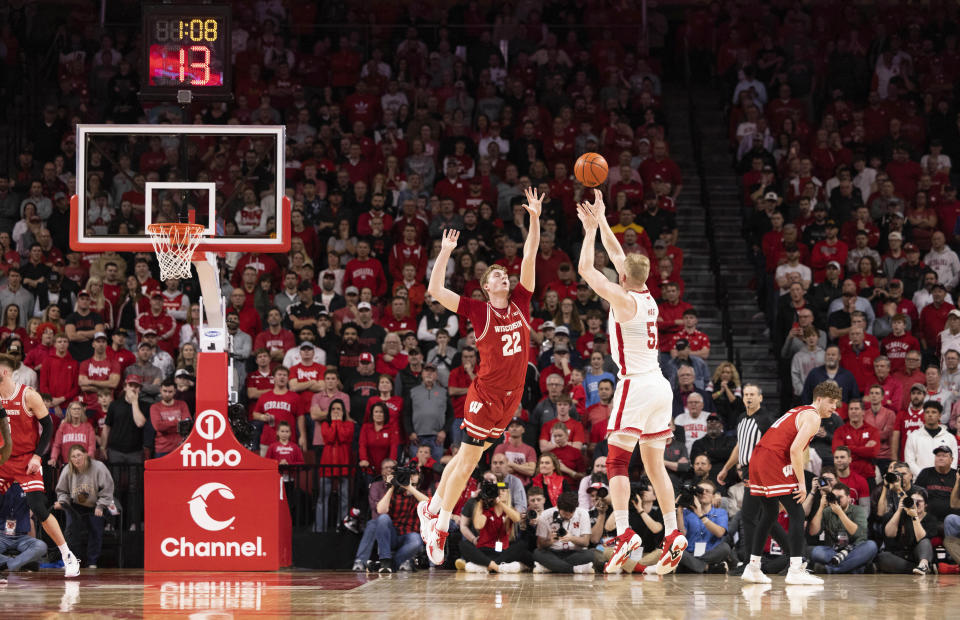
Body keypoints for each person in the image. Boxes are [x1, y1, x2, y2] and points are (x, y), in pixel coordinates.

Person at [418, 187, 543, 565]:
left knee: (463, 459)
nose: (504, 278)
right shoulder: (476, 309)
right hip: (484, 395)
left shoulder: (522, 301)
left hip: (510, 400)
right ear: (487, 288)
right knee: (469, 462)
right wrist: (444, 253)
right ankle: (439, 525)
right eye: (497, 277)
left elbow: (531, 254)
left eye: (506, 274)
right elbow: (435, 289)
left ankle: (432, 509)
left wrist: (534, 219)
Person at [574, 192, 687, 574]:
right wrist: (604, 219)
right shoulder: (648, 295)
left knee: (617, 460)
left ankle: (624, 533)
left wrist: (590, 231)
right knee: (656, 468)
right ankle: (672, 533)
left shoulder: (623, 300)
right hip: (660, 386)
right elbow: (620, 255)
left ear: (622, 277)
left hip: (635, 384)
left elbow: (587, 270)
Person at [742, 380, 843, 585]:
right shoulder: (813, 417)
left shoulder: (799, 409)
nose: (834, 407)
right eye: (831, 402)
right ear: (820, 399)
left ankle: (752, 567)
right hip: (772, 459)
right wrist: (801, 484)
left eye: (837, 403)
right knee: (797, 512)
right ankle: (796, 569)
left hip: (758, 457)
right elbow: (795, 450)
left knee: (769, 513)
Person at [0, 354, 79, 576]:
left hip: (27, 459)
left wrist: (37, 456)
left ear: (5, 372)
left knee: (39, 507)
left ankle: (67, 555)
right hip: (4, 459)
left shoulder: (28, 396)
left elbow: (48, 426)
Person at [716, 384, 774, 572]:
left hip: (759, 472)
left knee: (749, 516)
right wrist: (726, 468)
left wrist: (765, 471)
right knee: (761, 517)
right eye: (746, 394)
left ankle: (752, 562)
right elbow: (740, 446)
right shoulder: (742, 418)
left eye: (752, 395)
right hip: (748, 470)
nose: (749, 397)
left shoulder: (765, 420)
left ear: (760, 398)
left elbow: (774, 448)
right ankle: (790, 555)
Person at [53, 444, 115, 569]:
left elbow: (108, 489)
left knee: (96, 530)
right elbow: (62, 491)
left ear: (86, 455)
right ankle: (73, 561)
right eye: (73, 457)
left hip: (95, 504)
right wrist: (63, 502)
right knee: (71, 531)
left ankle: (92, 561)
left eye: (79, 455)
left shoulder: (99, 467)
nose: (77, 459)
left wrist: (101, 506)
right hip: (75, 504)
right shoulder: (67, 470)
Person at [455, 474, 532, 573]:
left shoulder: (509, 510)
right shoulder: (486, 508)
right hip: (484, 551)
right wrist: (481, 501)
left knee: (522, 545)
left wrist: (500, 503)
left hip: (503, 552)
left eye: (503, 491)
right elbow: (478, 525)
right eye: (498, 491)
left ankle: (488, 566)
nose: (500, 493)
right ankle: (497, 567)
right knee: (463, 544)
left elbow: (517, 518)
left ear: (508, 493)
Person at [807, 482, 878, 574]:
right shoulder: (827, 511)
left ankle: (831, 569)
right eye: (834, 496)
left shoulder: (858, 510)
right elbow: (813, 532)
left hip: (855, 549)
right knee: (816, 552)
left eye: (840, 497)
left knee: (871, 546)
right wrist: (821, 507)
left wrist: (840, 513)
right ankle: (858, 568)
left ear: (849, 498)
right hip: (834, 551)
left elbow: (858, 533)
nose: (836, 500)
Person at [876, 487, 938, 574]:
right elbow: (889, 534)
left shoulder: (931, 519)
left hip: (919, 554)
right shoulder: (902, 515)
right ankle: (921, 569)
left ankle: (923, 565)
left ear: (925, 504)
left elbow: (921, 538)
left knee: (925, 541)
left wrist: (914, 517)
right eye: (912, 500)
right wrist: (899, 510)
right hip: (900, 556)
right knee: (882, 557)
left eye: (919, 501)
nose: (915, 504)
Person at [532, 491, 595, 573]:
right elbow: (540, 545)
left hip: (575, 553)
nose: (568, 516)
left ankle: (551, 567)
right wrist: (550, 541)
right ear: (558, 508)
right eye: (565, 514)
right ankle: (574, 569)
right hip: (553, 553)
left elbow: (586, 542)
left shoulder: (583, 513)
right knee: (537, 553)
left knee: (592, 553)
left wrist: (571, 538)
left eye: (571, 513)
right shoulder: (545, 515)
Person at [677, 480, 731, 573]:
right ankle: (708, 568)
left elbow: (720, 533)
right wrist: (679, 511)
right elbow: (681, 535)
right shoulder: (686, 513)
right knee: (676, 549)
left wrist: (701, 515)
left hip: (710, 553)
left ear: (713, 496)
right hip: (690, 551)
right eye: (700, 491)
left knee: (725, 548)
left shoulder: (720, 512)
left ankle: (691, 565)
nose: (703, 493)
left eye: (707, 491)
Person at [0, 483, 48, 573]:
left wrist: (33, 508)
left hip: (22, 537)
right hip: (2, 535)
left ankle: (8, 564)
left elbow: (42, 499)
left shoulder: (28, 484)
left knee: (41, 546)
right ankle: (21, 564)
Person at [149, 379, 192, 458]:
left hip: (180, 447)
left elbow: (186, 425)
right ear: (160, 390)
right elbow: (158, 426)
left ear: (175, 391)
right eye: (165, 391)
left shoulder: (182, 404)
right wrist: (177, 421)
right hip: (162, 449)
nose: (167, 394)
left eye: (170, 392)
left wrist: (166, 425)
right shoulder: (155, 407)